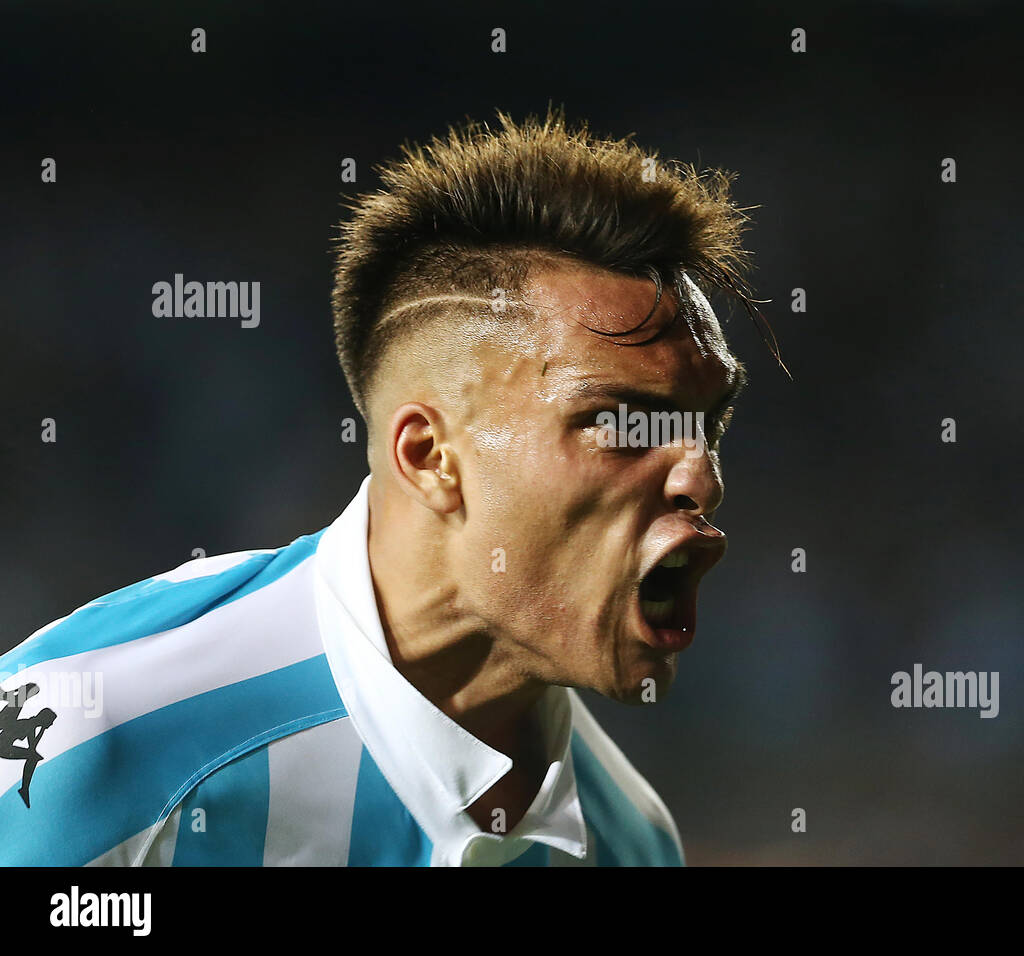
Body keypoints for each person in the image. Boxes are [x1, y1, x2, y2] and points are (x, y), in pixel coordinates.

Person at [0, 106, 779, 866]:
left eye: (707, 424)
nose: (701, 475)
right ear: (430, 456)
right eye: (623, 423)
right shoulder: (84, 749)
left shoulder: (629, 840)